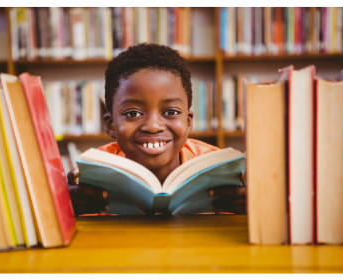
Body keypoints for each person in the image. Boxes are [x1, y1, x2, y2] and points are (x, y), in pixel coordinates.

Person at [67, 43, 246, 216]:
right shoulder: (94, 172)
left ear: (188, 122)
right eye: (132, 113)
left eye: (170, 112)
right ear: (111, 125)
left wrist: (249, 207)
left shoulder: (216, 168)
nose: (153, 127)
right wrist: (65, 207)